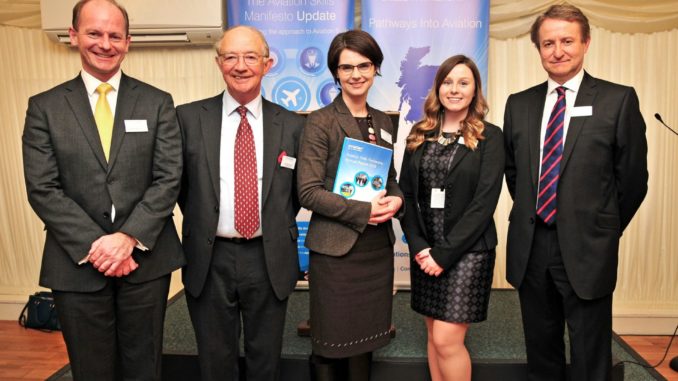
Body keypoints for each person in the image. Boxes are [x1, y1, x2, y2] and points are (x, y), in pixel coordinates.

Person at [21, 0, 184, 380]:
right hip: (76, 263)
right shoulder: (44, 107)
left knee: (144, 368)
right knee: (91, 370)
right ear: (74, 35)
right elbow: (42, 187)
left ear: (127, 42)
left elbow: (169, 177)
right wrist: (99, 247)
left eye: (115, 35)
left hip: (144, 261)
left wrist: (127, 238)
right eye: (94, 33)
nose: (105, 44)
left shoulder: (157, 102)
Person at [503, 4, 648, 380]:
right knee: (541, 349)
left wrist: (603, 226)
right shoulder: (518, 104)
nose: (558, 50)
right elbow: (514, 173)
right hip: (532, 246)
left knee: (589, 352)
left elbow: (632, 179)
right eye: (548, 43)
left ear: (585, 43)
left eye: (567, 40)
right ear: (538, 49)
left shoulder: (617, 101)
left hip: (588, 248)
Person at [176, 25, 304, 381]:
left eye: (250, 57)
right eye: (231, 56)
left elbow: (294, 195)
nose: (240, 65)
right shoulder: (186, 119)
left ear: (267, 64)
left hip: (269, 256)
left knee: (266, 359)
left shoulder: (293, 125)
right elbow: (180, 189)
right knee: (216, 361)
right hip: (209, 256)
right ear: (219, 63)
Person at [297, 30, 403, 381]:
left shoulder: (384, 121)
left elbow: (390, 180)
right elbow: (308, 192)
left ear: (375, 69)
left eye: (364, 65)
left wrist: (397, 199)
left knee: (365, 340)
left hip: (376, 250)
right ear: (336, 73)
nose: (356, 74)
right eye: (347, 67)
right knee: (329, 342)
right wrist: (364, 212)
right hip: (336, 253)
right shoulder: (320, 121)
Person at [399, 55, 504, 381]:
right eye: (447, 82)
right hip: (426, 251)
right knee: (433, 335)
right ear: (437, 88)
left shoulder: (491, 136)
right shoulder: (420, 133)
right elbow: (406, 195)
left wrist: (444, 255)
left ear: (475, 90)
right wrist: (419, 247)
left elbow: (484, 204)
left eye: (463, 82)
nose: (454, 89)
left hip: (468, 252)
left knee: (447, 339)